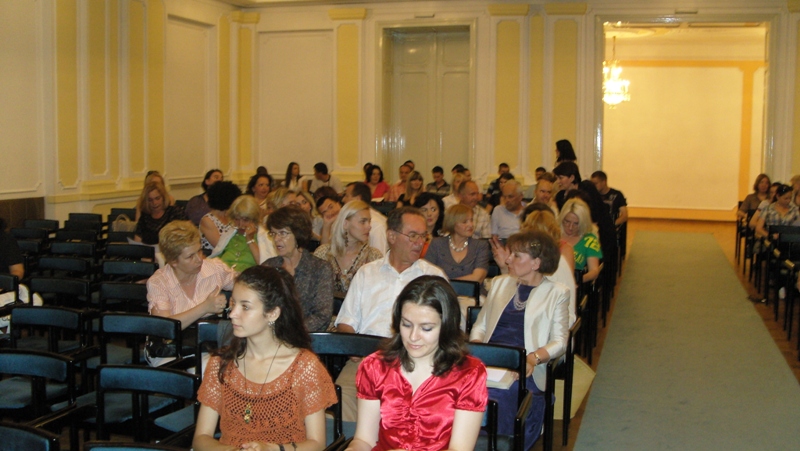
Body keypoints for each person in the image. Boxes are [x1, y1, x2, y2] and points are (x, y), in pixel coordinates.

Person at [193, 266, 337, 451]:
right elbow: (201, 439)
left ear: (273, 313)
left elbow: (316, 444)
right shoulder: (221, 363)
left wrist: (272, 449)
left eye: (245, 307)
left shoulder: (304, 367)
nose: (233, 313)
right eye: (233, 303)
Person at [346, 276, 487, 451]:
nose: (413, 337)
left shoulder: (468, 373)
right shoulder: (375, 366)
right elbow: (364, 440)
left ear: (447, 326)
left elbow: (459, 449)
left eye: (426, 328)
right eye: (406, 325)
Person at [334, 207, 447, 422]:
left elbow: (450, 329)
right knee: (339, 404)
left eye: (423, 236)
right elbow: (346, 322)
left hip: (414, 363)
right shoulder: (367, 273)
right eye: (412, 236)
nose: (419, 242)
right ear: (392, 236)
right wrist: (354, 349)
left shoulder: (433, 277)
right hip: (366, 360)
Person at [469, 230, 570, 450]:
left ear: (536, 263)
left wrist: (533, 359)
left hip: (525, 367)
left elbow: (561, 341)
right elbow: (480, 326)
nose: (507, 260)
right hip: (490, 360)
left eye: (516, 256)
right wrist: (477, 352)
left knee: (498, 398)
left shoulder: (557, 293)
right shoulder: (500, 284)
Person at [146, 221, 235, 366]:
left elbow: (244, 285)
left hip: (205, 346)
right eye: (190, 256)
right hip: (170, 349)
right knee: (178, 374)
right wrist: (205, 307)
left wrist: (237, 299)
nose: (199, 259)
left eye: (199, 251)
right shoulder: (158, 282)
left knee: (213, 369)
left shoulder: (214, 269)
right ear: (173, 261)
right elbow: (165, 328)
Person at [263, 206, 334, 332]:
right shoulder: (268, 267)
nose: (276, 239)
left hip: (304, 336)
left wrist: (289, 332)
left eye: (282, 233)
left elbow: (322, 316)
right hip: (269, 334)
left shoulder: (320, 269)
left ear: (298, 234)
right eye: (273, 233)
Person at [314, 200, 382, 294]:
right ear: (345, 224)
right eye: (363, 222)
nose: (369, 226)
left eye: (369, 221)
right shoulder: (323, 253)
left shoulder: (374, 256)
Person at [425, 204, 489, 286]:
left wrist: (445, 284)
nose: (471, 225)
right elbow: (426, 274)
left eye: (471, 220)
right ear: (452, 223)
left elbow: (478, 278)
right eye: (465, 222)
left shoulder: (480, 246)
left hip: (471, 293)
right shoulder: (437, 244)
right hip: (441, 292)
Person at [210, 195, 277, 271]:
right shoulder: (229, 233)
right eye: (236, 219)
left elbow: (266, 267)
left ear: (254, 219)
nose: (240, 224)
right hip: (223, 273)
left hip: (248, 275)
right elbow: (216, 257)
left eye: (245, 220)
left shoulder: (264, 236)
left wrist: (250, 240)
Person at [559, 198, 602, 282]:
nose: (570, 227)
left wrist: (577, 280)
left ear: (583, 223)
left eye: (576, 223)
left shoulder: (589, 240)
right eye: (567, 221)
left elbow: (594, 271)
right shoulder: (553, 235)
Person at [342, 182, 389, 256]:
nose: (343, 199)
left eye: (346, 196)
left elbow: (378, 258)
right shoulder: (351, 220)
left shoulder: (376, 225)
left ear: (357, 199)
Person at [199, 181, 242, 253]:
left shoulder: (231, 216)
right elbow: (220, 246)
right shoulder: (208, 220)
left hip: (232, 252)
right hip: (214, 255)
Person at [413, 193, 445, 257]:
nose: (429, 214)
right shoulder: (411, 235)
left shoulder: (446, 235)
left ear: (439, 212)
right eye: (424, 210)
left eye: (433, 210)